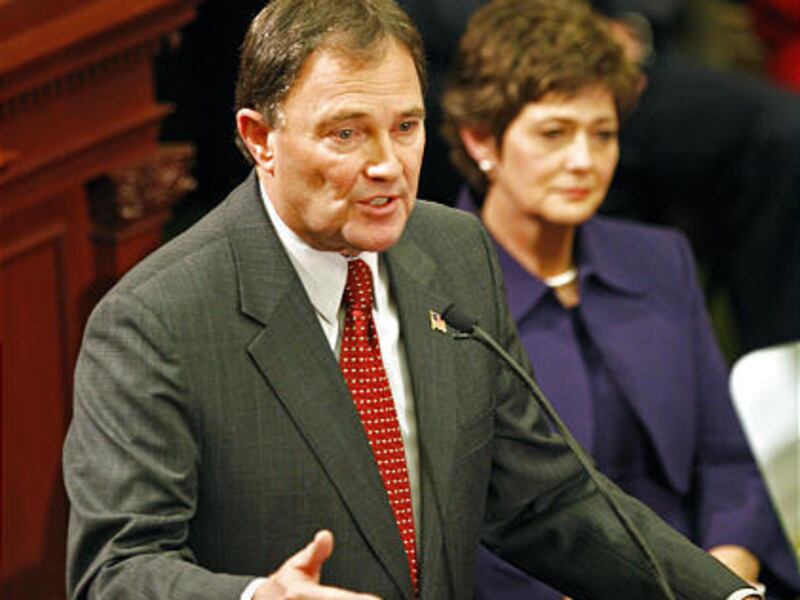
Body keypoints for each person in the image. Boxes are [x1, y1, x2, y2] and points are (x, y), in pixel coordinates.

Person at [63, 1, 766, 598]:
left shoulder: (453, 251)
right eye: (347, 132)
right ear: (258, 139)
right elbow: (114, 569)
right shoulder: (156, 319)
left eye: (405, 127)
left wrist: (723, 593)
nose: (388, 166)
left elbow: (542, 498)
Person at [440, 0, 800, 598]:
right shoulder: (437, 287)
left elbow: (729, 467)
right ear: (482, 139)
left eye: (603, 133)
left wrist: (724, 581)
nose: (584, 160)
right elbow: (463, 532)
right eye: (555, 133)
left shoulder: (659, 259)